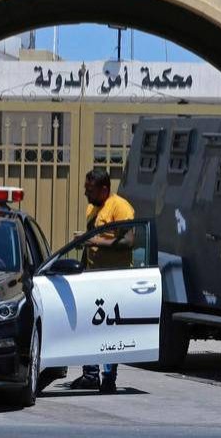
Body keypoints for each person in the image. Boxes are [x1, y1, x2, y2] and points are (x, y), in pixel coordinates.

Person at [68, 168, 136, 393]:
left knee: (110, 328)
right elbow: (91, 243)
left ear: (104, 189)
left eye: (90, 190)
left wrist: (93, 241)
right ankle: (90, 374)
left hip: (114, 279)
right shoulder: (92, 208)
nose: (86, 194)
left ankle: (109, 378)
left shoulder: (120, 207)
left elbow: (128, 241)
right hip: (92, 277)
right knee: (89, 325)